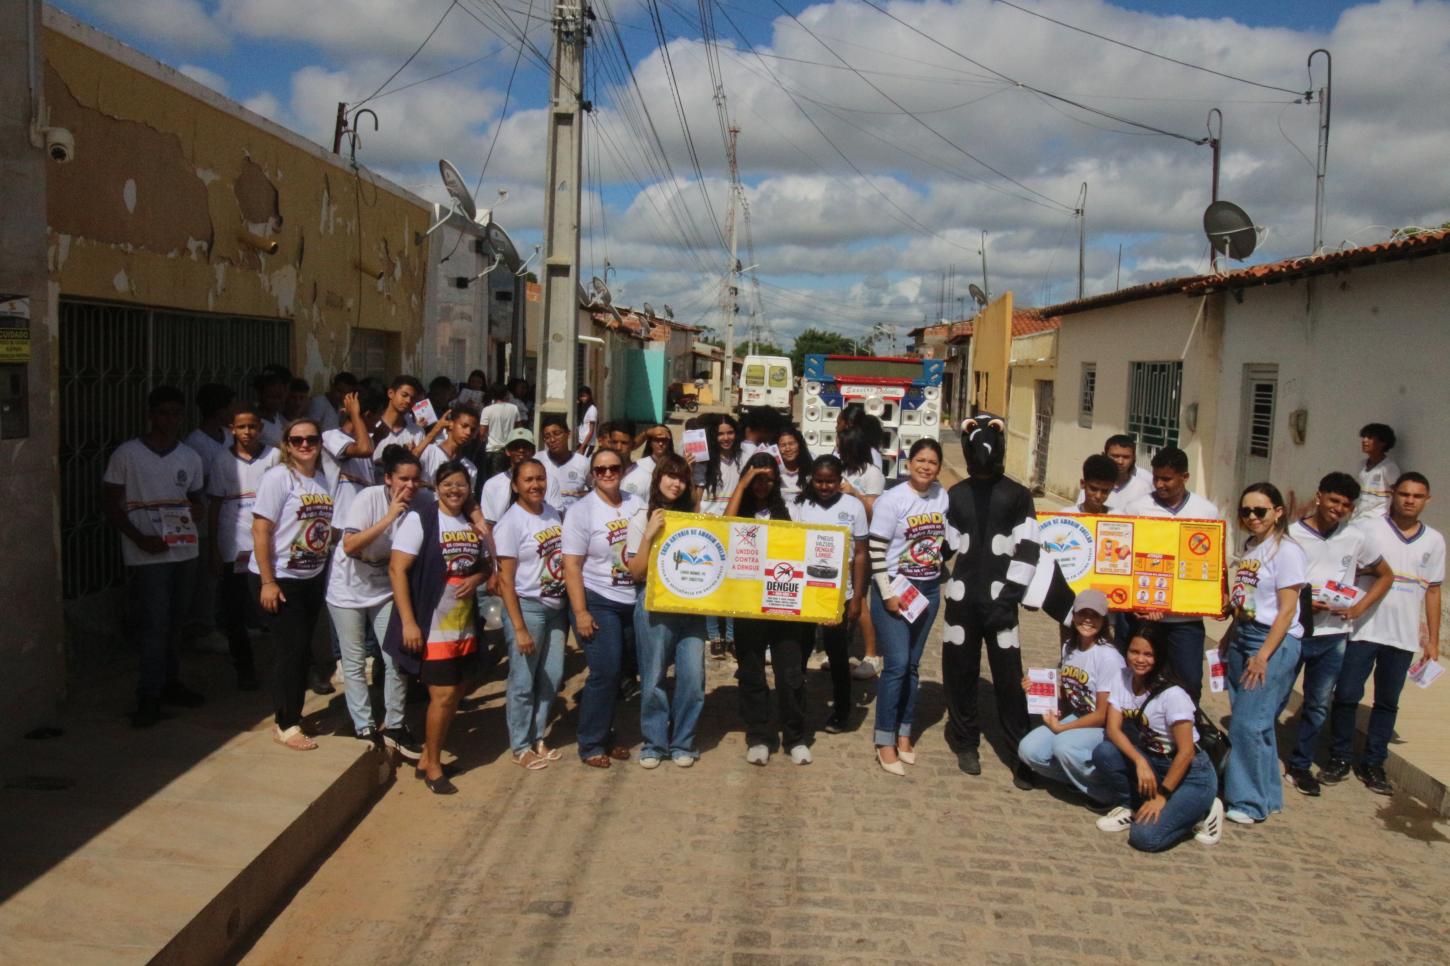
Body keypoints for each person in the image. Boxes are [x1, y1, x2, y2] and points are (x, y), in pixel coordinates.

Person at [1322, 472, 1443, 795]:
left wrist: (1432, 639)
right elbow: (1342, 565)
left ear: (1426, 500)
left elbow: (1432, 591)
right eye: (1404, 494)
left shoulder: (1434, 541)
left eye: (1417, 496)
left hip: (1401, 637)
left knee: (1387, 702)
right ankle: (1339, 757)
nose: (1409, 500)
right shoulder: (1367, 528)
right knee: (1347, 694)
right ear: (1392, 494)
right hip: (1362, 629)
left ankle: (1374, 763)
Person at [940, 415, 1041, 785]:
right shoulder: (956, 495)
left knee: (1009, 677)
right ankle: (965, 740)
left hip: (1001, 604)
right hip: (962, 602)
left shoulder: (1017, 495)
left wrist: (1011, 596)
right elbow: (943, 545)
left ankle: (1020, 752)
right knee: (959, 671)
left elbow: (1029, 548)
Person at [102, 385, 207, 726]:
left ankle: (171, 682)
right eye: (163, 412)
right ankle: (147, 694)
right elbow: (110, 503)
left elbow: (196, 499)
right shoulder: (127, 454)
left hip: (183, 550)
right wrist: (138, 537)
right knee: (154, 624)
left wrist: (197, 513)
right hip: (147, 553)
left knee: (177, 621)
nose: (170, 419)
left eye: (176, 413)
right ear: (151, 415)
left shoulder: (189, 457)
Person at [1284, 473, 1394, 796]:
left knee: (1317, 705)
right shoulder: (1291, 535)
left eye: (1346, 505)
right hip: (1293, 632)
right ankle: (1256, 758)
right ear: (1319, 497)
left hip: (1333, 636)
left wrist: (1358, 609)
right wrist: (1304, 601)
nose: (1339, 509)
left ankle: (1300, 765)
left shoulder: (1356, 537)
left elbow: (1385, 574)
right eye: (1334, 500)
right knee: (1275, 700)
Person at [385, 460, 491, 794]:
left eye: (461, 484)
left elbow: (486, 566)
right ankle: (432, 766)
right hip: (431, 624)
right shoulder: (422, 519)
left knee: (458, 689)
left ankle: (427, 757)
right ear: (436, 486)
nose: (454, 490)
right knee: (443, 695)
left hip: (463, 623)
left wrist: (477, 577)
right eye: (447, 484)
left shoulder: (468, 522)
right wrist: (409, 622)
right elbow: (396, 570)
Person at [326, 445, 422, 760]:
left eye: (415, 480)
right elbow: (350, 544)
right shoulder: (368, 498)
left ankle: (394, 725)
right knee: (354, 662)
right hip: (347, 588)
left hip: (382, 589)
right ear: (388, 480)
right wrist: (389, 517)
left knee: (395, 656)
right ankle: (364, 725)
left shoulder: (418, 504)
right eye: (403, 479)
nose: (409, 486)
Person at [1091, 624, 1223, 850]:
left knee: (1145, 838)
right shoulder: (1122, 677)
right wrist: (1139, 761)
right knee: (1105, 751)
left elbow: (1186, 751)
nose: (1139, 659)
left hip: (1189, 773)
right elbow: (1113, 729)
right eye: (1134, 652)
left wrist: (1161, 796)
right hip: (1152, 760)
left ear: (1159, 656)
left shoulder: (1174, 695)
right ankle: (1130, 805)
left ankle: (1206, 809)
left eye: (1148, 654)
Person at [1221, 482, 1307, 825]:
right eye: (1246, 512)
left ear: (1278, 512)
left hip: (1270, 641)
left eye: (1260, 511)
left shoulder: (1287, 551)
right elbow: (1249, 599)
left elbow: (1286, 611)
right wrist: (1229, 637)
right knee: (1259, 725)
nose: (1252, 517)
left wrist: (1263, 656)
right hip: (1244, 633)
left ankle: (1247, 802)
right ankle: (1268, 796)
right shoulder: (1252, 547)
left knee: (1246, 725)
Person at [869, 439, 954, 776]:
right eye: (920, 460)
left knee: (914, 665)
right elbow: (876, 548)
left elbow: (942, 541)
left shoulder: (941, 496)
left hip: (929, 589)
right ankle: (884, 739)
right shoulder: (893, 500)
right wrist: (888, 592)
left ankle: (905, 732)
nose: (926, 467)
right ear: (908, 463)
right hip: (895, 588)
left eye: (932, 462)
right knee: (897, 665)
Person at [250, 418, 335, 750]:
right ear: (286, 444)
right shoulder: (277, 478)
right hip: (282, 577)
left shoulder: (323, 480)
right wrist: (268, 581)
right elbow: (261, 530)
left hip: (311, 576)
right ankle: (287, 723)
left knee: (302, 650)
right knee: (291, 652)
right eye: (296, 440)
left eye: (311, 439)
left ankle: (290, 715)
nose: (304, 445)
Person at [725, 454, 812, 765]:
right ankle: (759, 735)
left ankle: (795, 737)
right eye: (756, 479)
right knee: (752, 674)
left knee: (790, 676)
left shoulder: (788, 508)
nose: (762, 485)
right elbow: (726, 525)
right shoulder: (742, 510)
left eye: (768, 479)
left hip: (784, 606)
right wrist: (744, 481)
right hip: (748, 607)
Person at [562, 448, 643, 767]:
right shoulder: (581, 511)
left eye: (613, 468)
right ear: (592, 474)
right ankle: (591, 742)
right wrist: (581, 612)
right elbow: (572, 566)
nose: (607, 473)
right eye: (600, 470)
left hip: (631, 600)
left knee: (622, 673)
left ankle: (608, 734)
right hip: (597, 599)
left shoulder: (636, 504)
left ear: (623, 470)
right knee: (605, 670)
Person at [626, 453, 708, 767]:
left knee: (692, 677)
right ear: (658, 477)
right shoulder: (640, 516)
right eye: (670, 476)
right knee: (653, 676)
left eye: (682, 478)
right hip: (654, 604)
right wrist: (649, 532)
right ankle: (654, 743)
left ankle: (683, 742)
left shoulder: (693, 515)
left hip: (692, 606)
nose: (676, 483)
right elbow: (635, 572)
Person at [1124, 446, 1223, 699]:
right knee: (1142, 681)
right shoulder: (1136, 509)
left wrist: (1221, 594)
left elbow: (1214, 560)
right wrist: (1133, 601)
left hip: (1185, 622)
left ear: (1185, 477)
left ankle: (1187, 735)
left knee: (1188, 683)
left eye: (1167, 479)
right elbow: (1126, 561)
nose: (1159, 484)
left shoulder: (1206, 511)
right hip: (1145, 619)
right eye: (1156, 477)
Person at [494, 458, 568, 770]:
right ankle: (520, 745)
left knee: (551, 677)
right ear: (515, 485)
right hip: (527, 608)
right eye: (528, 480)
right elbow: (505, 581)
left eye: (540, 478)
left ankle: (538, 736)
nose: (535, 485)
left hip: (556, 608)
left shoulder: (552, 513)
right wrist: (519, 627)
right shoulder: (510, 523)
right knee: (523, 681)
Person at [1017, 589, 1125, 801]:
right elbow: (1071, 693)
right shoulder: (1070, 648)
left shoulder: (1108, 657)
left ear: (1103, 620)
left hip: (1104, 725)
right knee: (1029, 751)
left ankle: (1108, 793)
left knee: (1063, 745)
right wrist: (1037, 687)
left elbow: (1103, 714)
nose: (1087, 620)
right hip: (1079, 715)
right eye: (1082, 613)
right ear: (1073, 615)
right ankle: (1078, 779)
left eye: (1094, 615)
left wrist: (1062, 728)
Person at [792, 454, 868, 734]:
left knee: (838, 656)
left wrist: (857, 597)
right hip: (804, 592)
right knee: (799, 653)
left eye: (830, 482)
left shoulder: (853, 507)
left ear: (840, 481)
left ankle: (842, 712)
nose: (824, 487)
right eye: (819, 481)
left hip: (839, 594)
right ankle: (795, 709)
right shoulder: (800, 505)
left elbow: (860, 554)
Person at [207, 402, 279, 691]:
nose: (247, 432)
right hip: (233, 544)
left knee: (275, 610)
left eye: (252, 426)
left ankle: (296, 667)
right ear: (231, 429)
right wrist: (213, 547)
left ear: (260, 428)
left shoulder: (274, 457)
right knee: (235, 611)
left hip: (269, 545)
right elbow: (214, 504)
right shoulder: (221, 460)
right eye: (241, 427)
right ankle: (244, 669)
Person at [183, 383, 235, 642]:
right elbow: (197, 483)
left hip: (231, 517)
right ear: (218, 409)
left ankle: (226, 623)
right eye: (229, 406)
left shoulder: (228, 435)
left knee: (228, 574)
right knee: (208, 575)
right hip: (206, 519)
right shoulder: (196, 442)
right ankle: (204, 629)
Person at [696, 413, 748, 656]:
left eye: (730, 432)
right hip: (708, 527)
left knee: (732, 583)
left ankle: (732, 635)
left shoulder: (743, 457)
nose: (725, 438)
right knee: (711, 582)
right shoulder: (703, 460)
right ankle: (714, 635)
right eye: (720, 433)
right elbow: (696, 497)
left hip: (735, 529)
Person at [319, 388, 377, 536]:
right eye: (377, 417)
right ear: (368, 415)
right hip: (339, 525)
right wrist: (355, 415)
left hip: (361, 525)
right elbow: (364, 450)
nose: (378, 423)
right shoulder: (331, 436)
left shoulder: (368, 441)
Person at [415, 404, 481, 502]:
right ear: (451, 424)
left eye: (473, 430)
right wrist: (435, 430)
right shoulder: (428, 451)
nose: (468, 432)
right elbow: (405, 465)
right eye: (464, 426)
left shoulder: (471, 469)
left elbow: (467, 501)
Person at [482, 429, 548, 526]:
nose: (521, 450)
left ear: (533, 451)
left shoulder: (545, 481)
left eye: (526, 447)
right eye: (516, 447)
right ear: (507, 451)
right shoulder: (492, 484)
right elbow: (489, 524)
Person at [1080, 434, 1153, 513]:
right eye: (1115, 456)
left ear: (1134, 458)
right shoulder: (1092, 482)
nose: (1120, 462)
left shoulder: (1145, 484)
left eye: (1126, 457)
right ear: (1105, 455)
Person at [541, 416, 592, 514]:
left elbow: (596, 491)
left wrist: (577, 495)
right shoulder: (538, 461)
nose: (552, 439)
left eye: (557, 434)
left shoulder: (583, 463)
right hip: (547, 523)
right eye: (547, 436)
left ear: (567, 434)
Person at [1352, 423, 1400, 524]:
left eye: (1370, 437)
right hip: (1357, 518)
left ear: (1382, 442)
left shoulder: (1389, 467)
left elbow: (1397, 495)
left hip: (1377, 521)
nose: (1364, 441)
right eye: (1364, 437)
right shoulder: (1362, 465)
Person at [373, 375, 424, 459]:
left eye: (413, 398)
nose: (408, 401)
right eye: (404, 395)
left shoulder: (418, 432)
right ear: (391, 393)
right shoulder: (372, 426)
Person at [622, 424, 673, 500]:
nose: (661, 444)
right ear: (650, 443)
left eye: (664, 440)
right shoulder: (639, 465)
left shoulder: (675, 466)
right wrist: (646, 433)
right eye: (657, 440)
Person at [480, 385, 520, 476]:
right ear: (506, 394)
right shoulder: (514, 408)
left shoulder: (487, 410)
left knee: (493, 480)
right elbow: (518, 429)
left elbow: (482, 432)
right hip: (508, 451)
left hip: (491, 450)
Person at [775, 426, 811, 502]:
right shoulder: (773, 472)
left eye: (791, 443)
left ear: (799, 445)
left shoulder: (811, 470)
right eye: (783, 445)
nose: (788, 449)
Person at [255, 370, 289, 448]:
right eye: (271, 397)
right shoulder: (256, 422)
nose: (276, 401)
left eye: (279, 397)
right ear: (260, 396)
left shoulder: (276, 416)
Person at [576, 386, 598, 455]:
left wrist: (582, 447)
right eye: (581, 396)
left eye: (584, 396)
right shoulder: (583, 408)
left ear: (589, 396)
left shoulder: (592, 409)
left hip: (588, 444)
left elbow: (591, 431)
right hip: (581, 442)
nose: (582, 398)